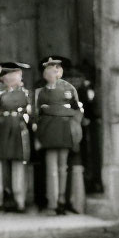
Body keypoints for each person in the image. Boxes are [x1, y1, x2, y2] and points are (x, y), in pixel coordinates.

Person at [33, 56, 84, 215]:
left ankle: (61, 199)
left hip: (64, 129)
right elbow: (37, 114)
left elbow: (77, 111)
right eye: (50, 69)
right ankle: (52, 201)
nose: (54, 72)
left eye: (57, 69)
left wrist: (75, 128)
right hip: (48, 130)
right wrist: (37, 135)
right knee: (51, 169)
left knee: (63, 168)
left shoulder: (69, 89)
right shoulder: (41, 91)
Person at [0, 61, 32, 213]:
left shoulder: (26, 94)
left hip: (18, 130)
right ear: (3, 78)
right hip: (1, 132)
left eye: (15, 75)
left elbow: (32, 113)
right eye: (8, 76)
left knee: (19, 165)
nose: (11, 79)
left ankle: (20, 201)